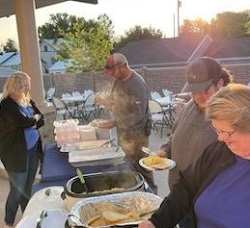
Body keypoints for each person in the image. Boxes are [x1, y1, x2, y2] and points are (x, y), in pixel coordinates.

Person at [139, 83, 250, 228]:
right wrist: (156, 222)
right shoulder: (218, 151)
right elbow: (187, 187)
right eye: (217, 130)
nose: (220, 139)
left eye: (226, 132)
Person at [156, 57, 233, 227]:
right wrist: (165, 151)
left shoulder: (230, 117)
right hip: (181, 199)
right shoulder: (190, 105)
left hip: (208, 207)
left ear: (220, 83)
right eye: (194, 90)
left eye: (204, 90)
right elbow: (173, 135)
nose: (198, 96)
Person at [97, 53, 155, 192]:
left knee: (142, 166)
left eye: (112, 71)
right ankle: (133, 192)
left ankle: (152, 195)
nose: (111, 75)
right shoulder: (119, 81)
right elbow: (115, 99)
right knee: (129, 166)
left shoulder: (137, 84)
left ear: (122, 66)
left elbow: (138, 115)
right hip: (124, 133)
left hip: (138, 135)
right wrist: (105, 100)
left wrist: (115, 122)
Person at [0, 71, 44, 228]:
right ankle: (8, 223)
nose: (28, 89)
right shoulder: (6, 104)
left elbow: (41, 118)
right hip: (15, 153)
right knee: (17, 190)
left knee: (27, 187)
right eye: (25, 86)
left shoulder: (27, 100)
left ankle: (27, 217)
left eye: (28, 86)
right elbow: (22, 121)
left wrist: (33, 120)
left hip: (32, 149)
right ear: (16, 86)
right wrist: (34, 120)